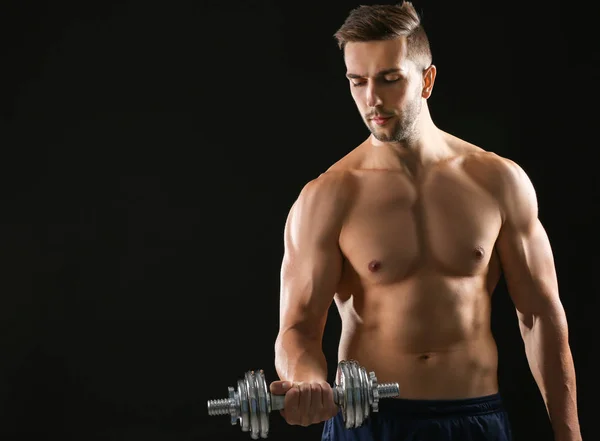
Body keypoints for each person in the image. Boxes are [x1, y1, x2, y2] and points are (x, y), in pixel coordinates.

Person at [270, 2, 582, 440]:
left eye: (390, 79)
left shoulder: (497, 181)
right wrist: (306, 379)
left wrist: (569, 435)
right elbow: (298, 328)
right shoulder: (327, 197)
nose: (372, 99)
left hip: (475, 419)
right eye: (357, 82)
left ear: (427, 80)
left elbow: (540, 317)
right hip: (370, 425)